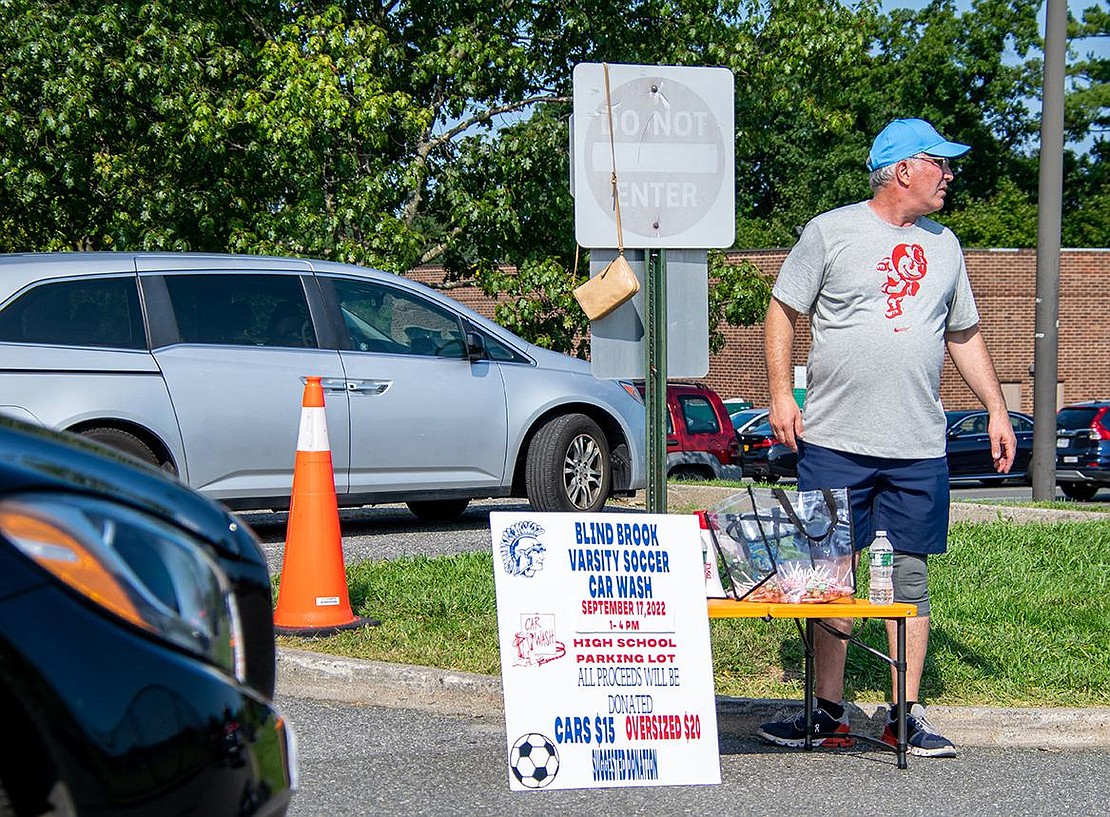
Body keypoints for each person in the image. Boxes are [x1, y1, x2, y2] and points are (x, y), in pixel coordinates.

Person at [756, 118, 1017, 758]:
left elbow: (963, 334)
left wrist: (998, 408)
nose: (950, 175)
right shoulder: (830, 232)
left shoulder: (947, 246)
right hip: (836, 439)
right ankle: (828, 713)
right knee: (830, 575)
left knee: (910, 580)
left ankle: (906, 714)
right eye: (940, 164)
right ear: (904, 170)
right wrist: (782, 394)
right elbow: (783, 309)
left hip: (917, 446)